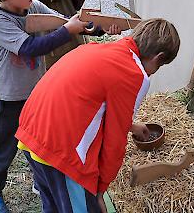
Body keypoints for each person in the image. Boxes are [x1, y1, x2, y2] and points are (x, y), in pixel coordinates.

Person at [0, 0, 119, 213]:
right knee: (4, 146)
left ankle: (39, 179)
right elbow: (32, 48)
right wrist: (69, 29)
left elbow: (64, 21)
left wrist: (98, 28)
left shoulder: (32, 6)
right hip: (8, 98)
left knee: (34, 143)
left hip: (35, 96)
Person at [15, 19, 180, 213]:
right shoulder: (134, 74)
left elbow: (89, 102)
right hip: (59, 150)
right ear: (158, 57)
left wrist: (132, 126)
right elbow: (114, 141)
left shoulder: (96, 49)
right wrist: (100, 189)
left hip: (31, 132)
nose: (153, 74)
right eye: (159, 66)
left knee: (53, 204)